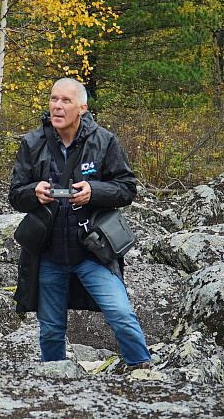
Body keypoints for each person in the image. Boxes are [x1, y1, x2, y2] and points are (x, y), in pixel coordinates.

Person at [8, 77, 150, 368]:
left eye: (66, 101)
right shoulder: (33, 142)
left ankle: (142, 373)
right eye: (53, 99)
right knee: (50, 332)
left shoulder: (104, 141)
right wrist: (34, 193)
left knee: (122, 315)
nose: (57, 107)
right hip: (48, 255)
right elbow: (15, 195)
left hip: (91, 252)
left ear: (82, 107)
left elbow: (127, 188)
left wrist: (93, 191)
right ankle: (57, 386)